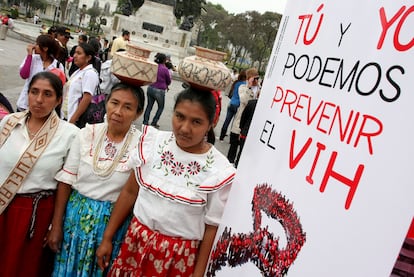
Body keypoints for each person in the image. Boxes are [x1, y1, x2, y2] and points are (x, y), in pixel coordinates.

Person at [96, 87, 236, 276]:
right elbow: (130, 193)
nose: (185, 128)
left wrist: (199, 273)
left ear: (212, 123)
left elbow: (212, 228)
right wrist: (108, 237)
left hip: (177, 259)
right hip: (135, 244)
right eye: (179, 116)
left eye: (196, 122)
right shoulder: (152, 144)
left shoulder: (218, 171)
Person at [48, 83, 145, 277]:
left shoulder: (142, 145)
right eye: (114, 103)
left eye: (127, 107)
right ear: (106, 103)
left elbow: (133, 193)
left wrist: (109, 236)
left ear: (138, 113)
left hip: (114, 227)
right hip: (74, 222)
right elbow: (66, 181)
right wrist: (56, 225)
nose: (118, 112)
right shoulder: (87, 134)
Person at [0, 71, 79, 277]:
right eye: (34, 92)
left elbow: (65, 183)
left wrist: (56, 224)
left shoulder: (69, 134)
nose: (38, 100)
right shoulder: (8, 123)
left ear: (59, 100)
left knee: (21, 268)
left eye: (47, 94)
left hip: (34, 214)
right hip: (2, 206)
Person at [16, 34, 64, 111]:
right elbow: (24, 75)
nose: (35, 46)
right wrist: (29, 55)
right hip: (25, 103)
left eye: (38, 45)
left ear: (45, 48)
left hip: (43, 106)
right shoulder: (32, 58)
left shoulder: (58, 65)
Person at [61, 42, 100, 127]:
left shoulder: (90, 73)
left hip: (76, 121)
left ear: (88, 57)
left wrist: (73, 120)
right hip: (66, 116)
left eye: (79, 53)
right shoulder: (78, 71)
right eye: (75, 52)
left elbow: (87, 98)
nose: (75, 55)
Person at [227, 68, 260, 164]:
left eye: (257, 78)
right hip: (239, 121)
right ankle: (229, 164)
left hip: (249, 124)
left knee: (242, 151)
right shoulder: (242, 87)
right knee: (233, 147)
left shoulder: (260, 89)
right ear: (249, 78)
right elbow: (244, 100)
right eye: (254, 78)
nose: (256, 80)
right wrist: (249, 87)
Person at [142, 53, 171, 128]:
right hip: (159, 90)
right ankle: (154, 122)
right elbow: (168, 81)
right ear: (164, 60)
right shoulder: (165, 69)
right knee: (160, 107)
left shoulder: (154, 66)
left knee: (149, 106)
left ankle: (145, 122)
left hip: (151, 87)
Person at [219, 70, 247, 140]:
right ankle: (231, 139)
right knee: (235, 123)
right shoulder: (244, 85)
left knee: (227, 120)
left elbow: (231, 92)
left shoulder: (236, 82)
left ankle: (221, 137)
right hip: (238, 105)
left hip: (231, 103)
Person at [235, 97, 258, 167]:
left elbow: (243, 117)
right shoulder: (267, 107)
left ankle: (237, 165)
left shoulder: (251, 103)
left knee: (241, 151)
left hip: (245, 132)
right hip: (253, 135)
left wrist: (241, 129)